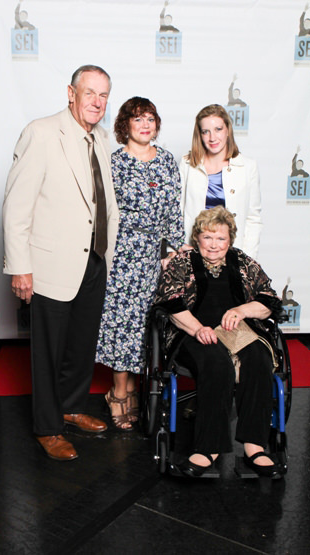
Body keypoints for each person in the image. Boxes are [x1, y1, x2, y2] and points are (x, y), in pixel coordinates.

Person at [3, 65, 119, 461]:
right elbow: (17, 206)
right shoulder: (41, 132)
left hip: (94, 258)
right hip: (50, 262)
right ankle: (48, 427)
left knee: (81, 344)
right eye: (90, 93)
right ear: (71, 93)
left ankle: (71, 407)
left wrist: (108, 252)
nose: (97, 102)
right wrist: (20, 266)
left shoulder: (101, 137)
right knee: (49, 349)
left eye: (104, 95)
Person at [155, 206, 284, 479]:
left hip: (237, 329)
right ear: (198, 238)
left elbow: (269, 300)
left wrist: (242, 311)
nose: (214, 245)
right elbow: (171, 303)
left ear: (230, 240)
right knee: (216, 363)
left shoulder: (243, 262)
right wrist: (198, 328)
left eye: (221, 238)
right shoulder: (182, 263)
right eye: (208, 237)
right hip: (194, 330)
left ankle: (255, 445)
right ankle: (209, 448)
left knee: (259, 359)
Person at [96, 96, 185, 430]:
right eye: (138, 119)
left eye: (150, 118)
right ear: (126, 126)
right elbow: (102, 211)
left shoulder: (165, 161)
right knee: (121, 323)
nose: (146, 124)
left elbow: (173, 210)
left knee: (144, 324)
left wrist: (176, 249)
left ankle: (133, 386)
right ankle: (118, 392)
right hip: (121, 253)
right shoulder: (115, 162)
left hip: (152, 255)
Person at [180, 104, 262, 260]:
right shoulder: (187, 164)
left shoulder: (248, 167)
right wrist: (177, 248)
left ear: (228, 131)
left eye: (218, 129)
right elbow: (176, 211)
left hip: (233, 254)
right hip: (194, 252)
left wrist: (247, 258)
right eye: (206, 132)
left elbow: (253, 218)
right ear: (200, 134)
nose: (212, 138)